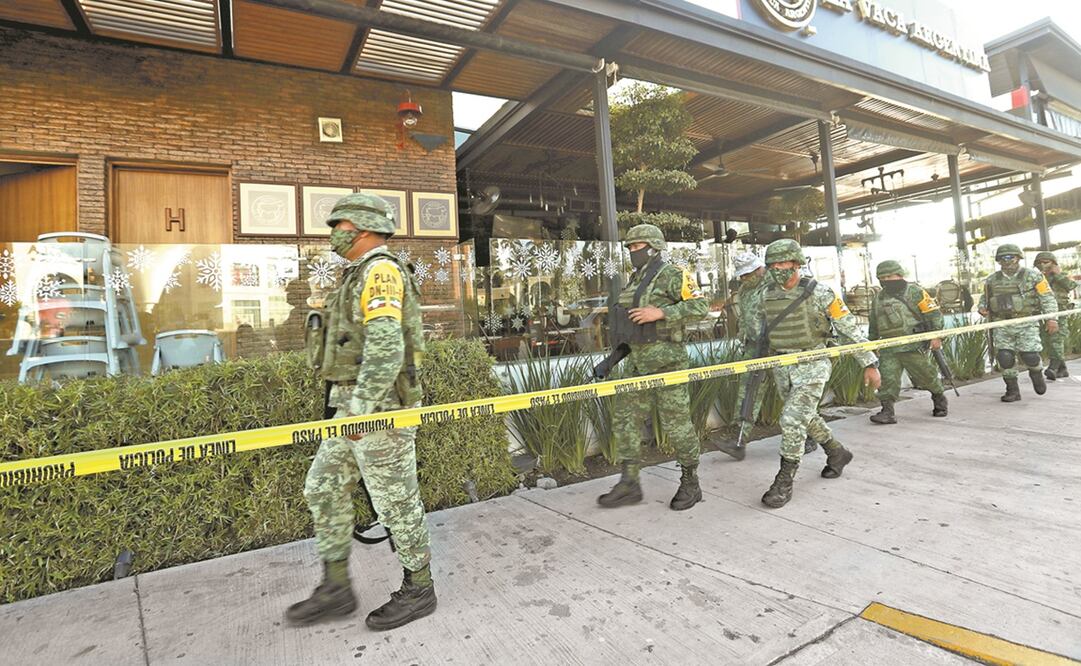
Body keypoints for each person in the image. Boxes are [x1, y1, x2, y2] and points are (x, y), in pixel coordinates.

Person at [287, 193, 434, 631]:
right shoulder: (358, 274)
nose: (333, 233)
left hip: (378, 410)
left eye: (339, 225)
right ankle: (337, 587)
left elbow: (387, 349)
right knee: (322, 487)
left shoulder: (382, 271)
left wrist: (361, 410)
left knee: (396, 502)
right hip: (353, 408)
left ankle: (419, 587)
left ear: (364, 228)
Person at [747, 239, 880, 509]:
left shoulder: (820, 292)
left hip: (814, 361)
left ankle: (784, 479)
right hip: (782, 364)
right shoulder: (764, 295)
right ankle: (836, 452)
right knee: (806, 417)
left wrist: (869, 363)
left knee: (792, 418)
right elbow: (758, 331)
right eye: (772, 264)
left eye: (783, 263)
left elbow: (847, 328)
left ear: (797, 263)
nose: (777, 269)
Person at [596, 223, 709, 511]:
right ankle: (629, 482)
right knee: (626, 421)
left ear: (654, 247)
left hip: (668, 363)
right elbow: (632, 330)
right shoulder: (634, 280)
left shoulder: (672, 274)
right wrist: (609, 362)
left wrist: (661, 312)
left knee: (676, 424)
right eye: (630, 248)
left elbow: (700, 306)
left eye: (638, 246)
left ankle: (690, 482)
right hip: (637, 364)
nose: (633, 251)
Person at [867, 260, 947, 425]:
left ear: (900, 275)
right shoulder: (878, 298)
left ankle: (939, 399)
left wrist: (936, 336)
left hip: (913, 346)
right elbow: (874, 324)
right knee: (887, 380)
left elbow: (933, 314)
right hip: (889, 347)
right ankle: (887, 412)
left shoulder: (915, 291)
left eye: (890, 276)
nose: (886, 280)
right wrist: (872, 345)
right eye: (882, 277)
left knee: (926, 375)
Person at [977, 244, 1058, 402]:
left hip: (1026, 322)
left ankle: (1036, 373)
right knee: (1005, 357)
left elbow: (1047, 297)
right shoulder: (992, 279)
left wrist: (1052, 318)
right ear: (998, 260)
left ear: (1018, 258)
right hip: (1002, 324)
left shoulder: (1033, 276)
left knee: (1030, 356)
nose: (1007, 261)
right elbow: (984, 298)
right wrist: (982, 307)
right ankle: (1012, 391)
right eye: (1003, 258)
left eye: (1010, 257)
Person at [1034, 251, 1076, 380]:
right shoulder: (1036, 277)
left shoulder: (1059, 275)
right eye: (1040, 263)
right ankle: (1062, 369)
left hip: (1060, 312)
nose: (1043, 265)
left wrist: (1057, 274)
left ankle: (1053, 367)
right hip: (1044, 313)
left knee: (1056, 339)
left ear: (1053, 263)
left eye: (1046, 262)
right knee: (1049, 339)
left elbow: (1071, 286)